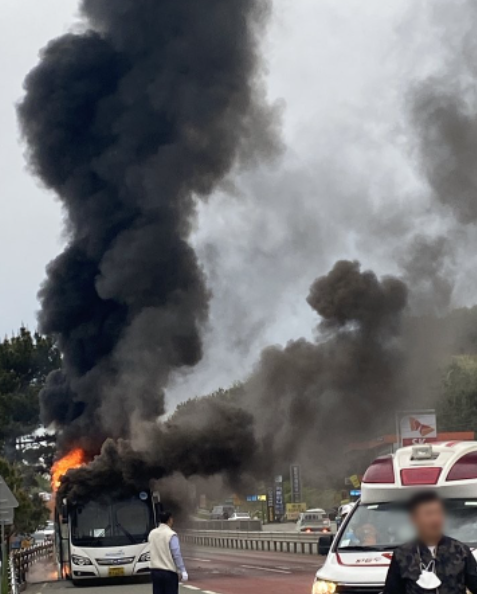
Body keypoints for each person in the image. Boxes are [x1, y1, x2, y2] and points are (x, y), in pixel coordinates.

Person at [384, 490, 477, 594]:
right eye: (429, 514)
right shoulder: (402, 554)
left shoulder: (460, 551)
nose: (435, 519)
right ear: (414, 519)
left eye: (438, 513)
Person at [149, 511, 188, 594]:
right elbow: (176, 554)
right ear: (170, 520)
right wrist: (182, 570)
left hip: (155, 571)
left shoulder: (152, 533)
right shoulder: (171, 534)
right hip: (168, 572)